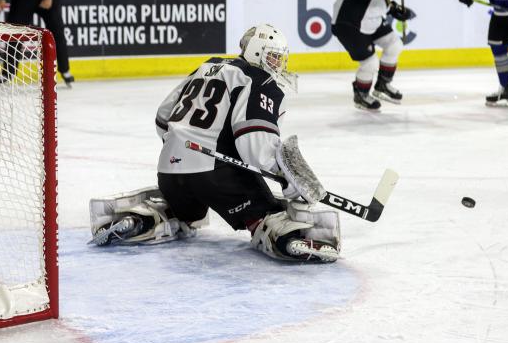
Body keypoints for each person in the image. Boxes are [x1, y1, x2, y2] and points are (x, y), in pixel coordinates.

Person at [88, 24, 341, 262]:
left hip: (169, 172)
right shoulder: (260, 80)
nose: (277, 64)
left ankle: (146, 221)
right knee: (266, 212)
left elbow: (163, 118)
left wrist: (180, 146)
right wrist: (287, 177)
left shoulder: (207, 66)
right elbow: (255, 146)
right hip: (216, 175)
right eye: (273, 56)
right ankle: (286, 238)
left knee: (187, 216)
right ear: (256, 53)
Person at [332, 0, 414, 111]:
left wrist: (392, 8)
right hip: (349, 22)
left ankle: (382, 85)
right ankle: (361, 95)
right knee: (370, 63)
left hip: (369, 21)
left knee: (394, 45)